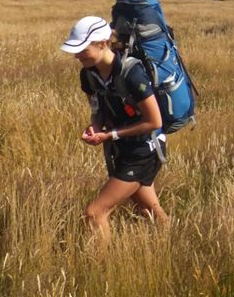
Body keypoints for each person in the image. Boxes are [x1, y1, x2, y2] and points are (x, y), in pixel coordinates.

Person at [62, 15, 168, 244]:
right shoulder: (88, 74)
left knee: (94, 213)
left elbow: (155, 122)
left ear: (102, 43)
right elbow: (97, 109)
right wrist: (95, 128)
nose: (76, 55)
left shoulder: (132, 74)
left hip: (145, 149)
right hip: (121, 149)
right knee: (149, 210)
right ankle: (172, 245)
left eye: (82, 49)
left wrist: (110, 135)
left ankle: (100, 270)